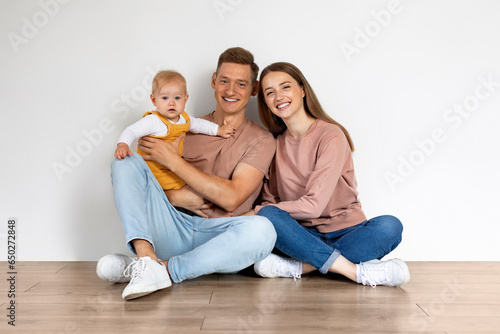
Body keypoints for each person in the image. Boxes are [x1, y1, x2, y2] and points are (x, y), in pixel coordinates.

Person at [96, 47, 277, 300]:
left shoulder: (261, 140)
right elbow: (141, 180)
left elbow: (232, 197)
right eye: (224, 81)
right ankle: (146, 257)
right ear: (214, 81)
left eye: (241, 84)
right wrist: (174, 197)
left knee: (263, 230)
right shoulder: (178, 124)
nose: (230, 91)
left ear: (254, 89)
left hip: (220, 237)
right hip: (172, 226)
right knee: (125, 162)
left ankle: (160, 269)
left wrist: (172, 160)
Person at [248, 62, 410, 287]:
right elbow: (270, 202)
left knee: (390, 227)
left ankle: (301, 267)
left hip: (348, 232)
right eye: (270, 92)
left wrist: (254, 212)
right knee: (269, 216)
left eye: (285, 87)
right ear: (265, 101)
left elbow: (313, 206)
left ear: (303, 90)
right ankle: (357, 271)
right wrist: (262, 211)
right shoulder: (274, 144)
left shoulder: (331, 135)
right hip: (303, 235)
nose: (279, 96)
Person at [114, 70, 235, 191]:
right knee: (189, 189)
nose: (171, 103)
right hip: (154, 171)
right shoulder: (154, 121)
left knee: (194, 182)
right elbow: (132, 131)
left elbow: (200, 125)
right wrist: (123, 144)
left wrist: (219, 130)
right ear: (154, 100)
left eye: (177, 98)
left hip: (171, 168)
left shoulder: (184, 119)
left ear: (185, 99)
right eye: (165, 98)